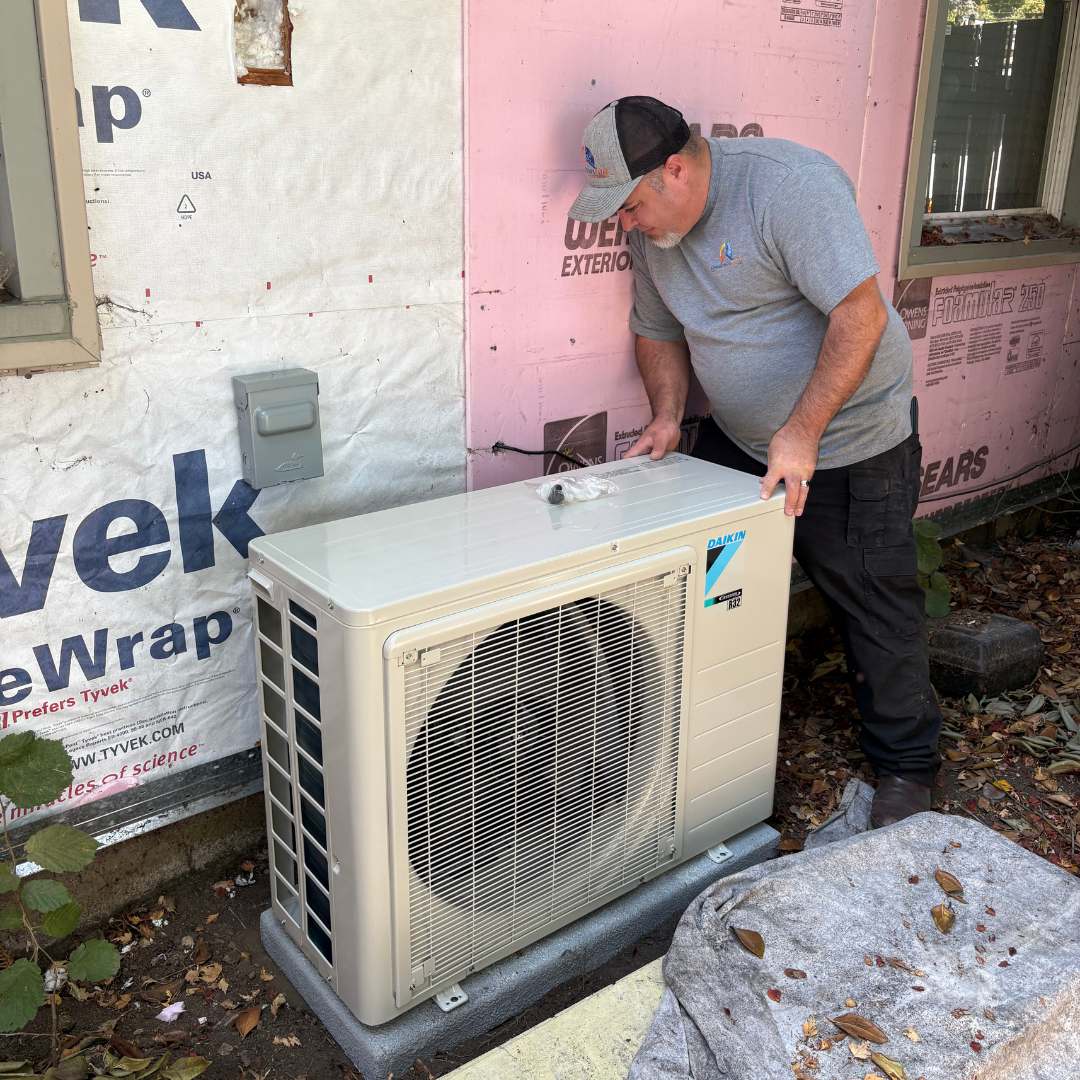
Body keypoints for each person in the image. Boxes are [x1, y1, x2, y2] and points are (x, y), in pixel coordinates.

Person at [568, 96, 941, 828]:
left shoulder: (786, 187)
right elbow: (655, 328)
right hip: (738, 445)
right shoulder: (655, 235)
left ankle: (907, 769)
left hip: (851, 441)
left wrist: (802, 432)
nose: (625, 224)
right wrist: (671, 416)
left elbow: (860, 316)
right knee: (703, 588)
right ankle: (696, 742)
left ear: (675, 169)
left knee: (874, 605)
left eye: (631, 204)